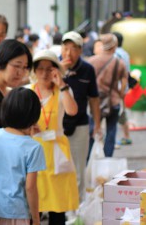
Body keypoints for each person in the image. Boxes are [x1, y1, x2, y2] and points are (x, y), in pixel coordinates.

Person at [0, 87, 46, 225]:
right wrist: (36, 220)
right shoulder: (33, 147)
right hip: (16, 214)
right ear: (33, 115)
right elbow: (30, 187)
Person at [29, 49, 79, 224]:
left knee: (58, 206)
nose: (44, 73)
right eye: (40, 68)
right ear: (34, 71)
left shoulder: (63, 90)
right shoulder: (28, 91)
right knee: (33, 202)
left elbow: (72, 111)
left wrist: (62, 85)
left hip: (56, 152)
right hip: (33, 150)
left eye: (49, 68)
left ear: (55, 70)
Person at [60, 31, 101, 201]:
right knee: (57, 168)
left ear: (80, 50)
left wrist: (97, 124)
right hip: (56, 125)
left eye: (74, 49)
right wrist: (60, 71)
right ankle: (57, 206)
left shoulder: (87, 69)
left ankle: (76, 208)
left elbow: (94, 99)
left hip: (80, 124)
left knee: (78, 169)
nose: (68, 53)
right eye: (66, 48)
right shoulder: (53, 66)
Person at [88, 33, 127, 157]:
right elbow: (124, 82)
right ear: (114, 46)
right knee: (111, 130)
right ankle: (107, 158)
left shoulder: (92, 61)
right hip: (112, 101)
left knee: (93, 129)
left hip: (95, 102)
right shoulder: (119, 63)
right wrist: (120, 95)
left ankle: (88, 157)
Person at [113, 31, 132, 146]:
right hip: (124, 88)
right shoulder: (125, 54)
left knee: (115, 112)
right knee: (121, 111)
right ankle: (126, 135)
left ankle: (114, 139)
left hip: (117, 88)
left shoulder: (114, 54)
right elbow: (128, 72)